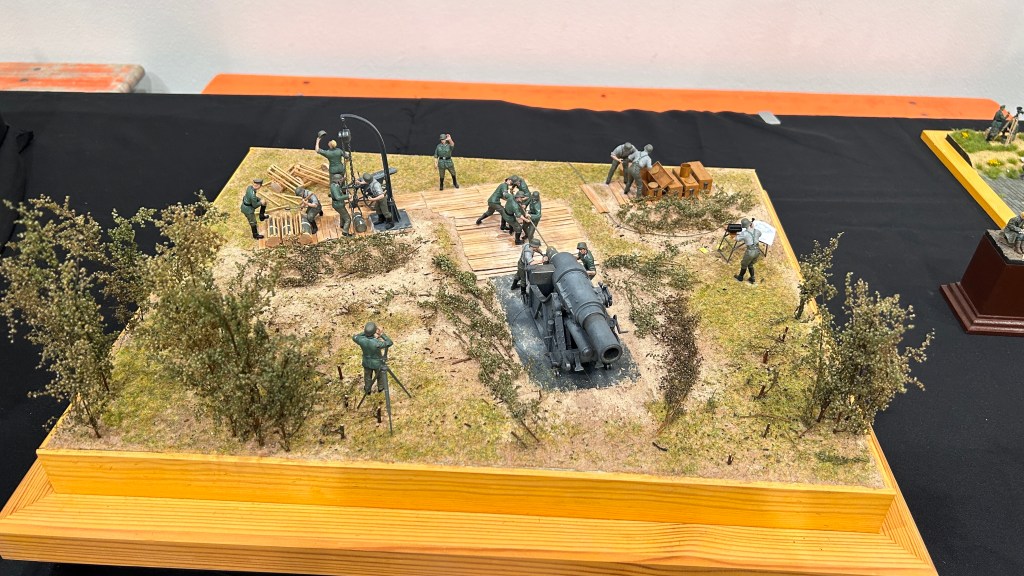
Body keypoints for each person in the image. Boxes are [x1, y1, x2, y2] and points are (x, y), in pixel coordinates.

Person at [352, 322, 393, 395]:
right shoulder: (377, 343)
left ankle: (367, 389)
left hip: (366, 362)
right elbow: (389, 342)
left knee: (367, 377)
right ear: (374, 331)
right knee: (379, 376)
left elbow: (354, 337)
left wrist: (365, 333)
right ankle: (381, 387)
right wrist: (381, 334)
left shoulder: (361, 340)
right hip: (377, 363)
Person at [735, 218, 762, 284]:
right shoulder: (757, 231)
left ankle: (740, 277)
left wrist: (737, 234)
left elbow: (737, 239)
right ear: (750, 224)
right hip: (757, 251)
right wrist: (753, 228)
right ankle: (752, 278)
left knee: (744, 264)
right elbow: (760, 234)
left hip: (750, 251)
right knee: (750, 264)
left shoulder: (744, 233)